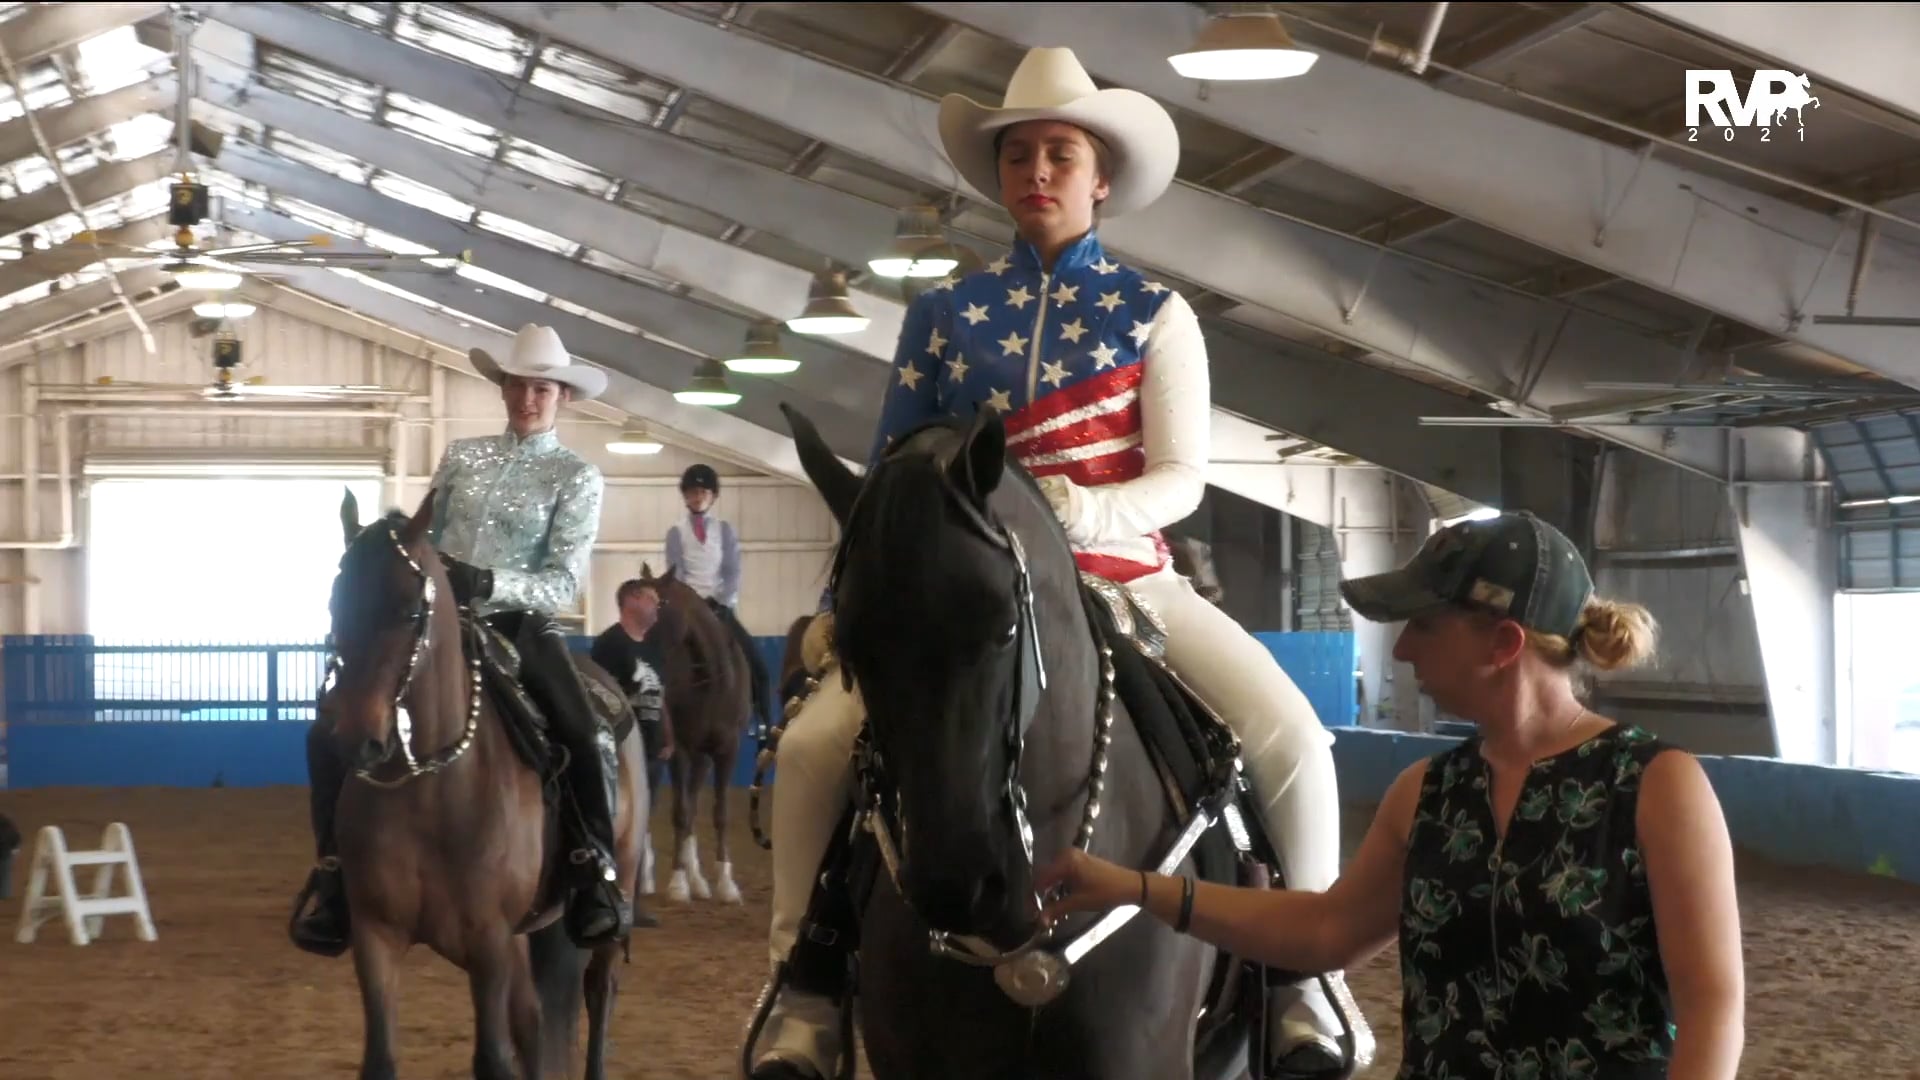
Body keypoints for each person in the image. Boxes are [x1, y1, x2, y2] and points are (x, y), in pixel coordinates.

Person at [746, 46, 1366, 1080]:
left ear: (1100, 177)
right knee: (813, 753)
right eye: (1021, 155)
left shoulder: (1155, 316)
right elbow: (892, 481)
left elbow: (1182, 479)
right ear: (1000, 177)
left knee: (1290, 733)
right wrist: (839, 603)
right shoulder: (943, 319)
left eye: (1060, 154)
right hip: (968, 601)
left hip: (1129, 582)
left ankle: (1305, 984)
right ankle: (801, 988)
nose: (1039, 171)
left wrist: (1087, 515)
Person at [1035, 511, 1748, 1080]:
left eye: (1426, 626)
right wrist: (1134, 888)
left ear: (1503, 642)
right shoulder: (1428, 794)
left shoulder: (1656, 786)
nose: (1403, 650)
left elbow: (1713, 1010)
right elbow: (1328, 932)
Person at [290, 322, 634, 955]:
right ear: (502, 389)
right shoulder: (461, 457)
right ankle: (336, 874)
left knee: (583, 730)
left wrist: (488, 581)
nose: (528, 399)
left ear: (562, 396)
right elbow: (425, 535)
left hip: (520, 627)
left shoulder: (576, 476)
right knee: (329, 728)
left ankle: (593, 872)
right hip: (434, 627)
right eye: (517, 386)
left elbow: (561, 581)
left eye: (541, 389)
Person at [664, 463, 775, 741]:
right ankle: (658, 725)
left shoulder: (724, 530)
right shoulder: (676, 533)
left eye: (703, 491)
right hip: (690, 610)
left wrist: (720, 601)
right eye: (692, 492)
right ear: (685, 497)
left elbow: (732, 570)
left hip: (721, 609)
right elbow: (675, 572)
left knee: (758, 666)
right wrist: (693, 605)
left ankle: (763, 725)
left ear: (712, 496)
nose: (697, 496)